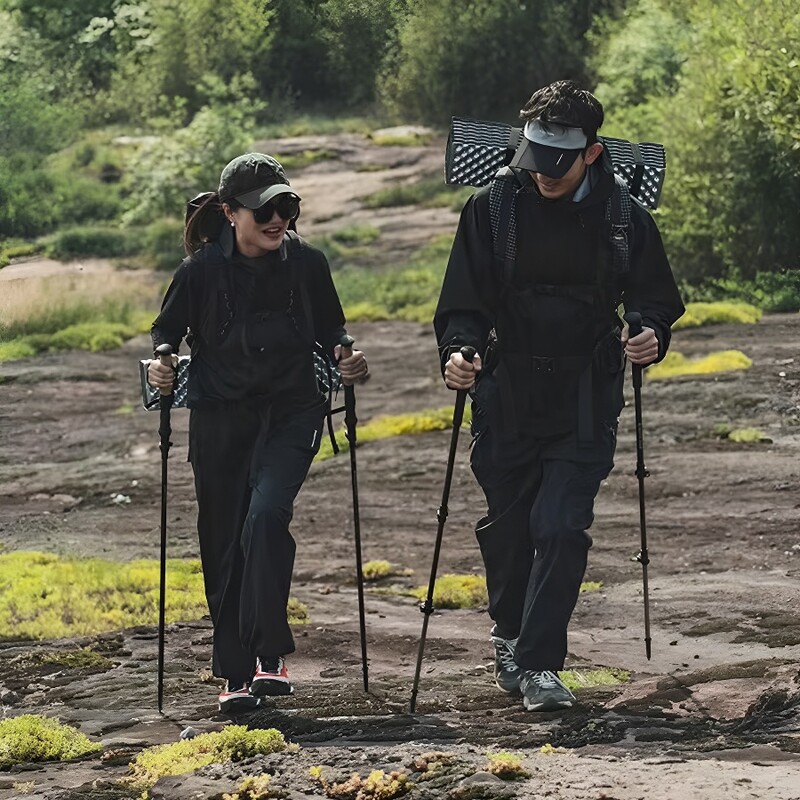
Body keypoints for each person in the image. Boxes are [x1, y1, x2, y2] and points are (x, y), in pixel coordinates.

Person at [434, 80, 684, 712]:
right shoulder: (491, 208)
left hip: (584, 396)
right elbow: (463, 302)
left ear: (591, 153)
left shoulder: (624, 216)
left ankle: (540, 664)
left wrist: (651, 333)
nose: (543, 172)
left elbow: (655, 298)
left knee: (561, 527)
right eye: (534, 157)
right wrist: (459, 352)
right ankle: (509, 635)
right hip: (506, 393)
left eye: (558, 161)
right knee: (510, 529)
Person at [147, 153, 368, 713]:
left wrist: (346, 354)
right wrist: (162, 362)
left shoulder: (308, 263)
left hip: (292, 412)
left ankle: (270, 654)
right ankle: (237, 672)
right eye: (264, 210)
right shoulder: (199, 271)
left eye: (286, 207)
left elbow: (332, 327)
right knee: (224, 541)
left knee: (266, 518)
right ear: (230, 212)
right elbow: (166, 331)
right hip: (220, 420)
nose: (277, 219)